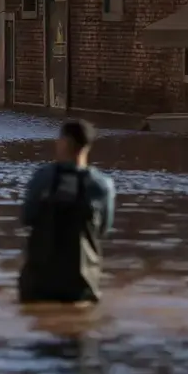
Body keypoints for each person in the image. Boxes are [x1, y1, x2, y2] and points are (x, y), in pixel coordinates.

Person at [18, 119, 115, 304]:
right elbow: (103, 230)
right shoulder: (102, 185)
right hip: (80, 282)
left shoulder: (42, 177)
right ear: (88, 145)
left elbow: (27, 217)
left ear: (64, 142)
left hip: (38, 281)